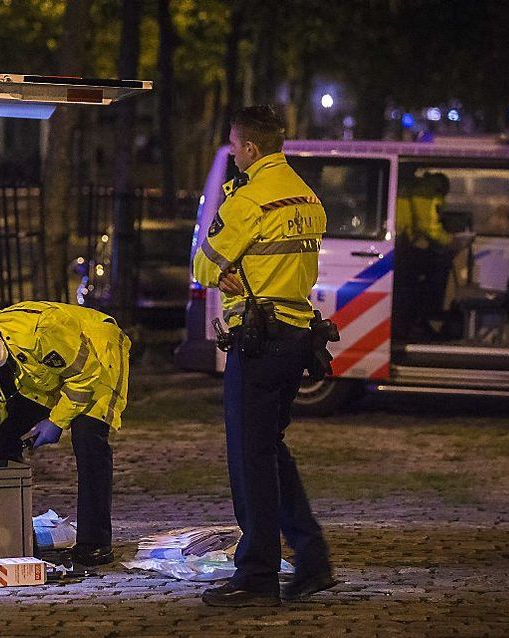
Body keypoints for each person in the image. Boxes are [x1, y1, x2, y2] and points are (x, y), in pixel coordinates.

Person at [192, 106, 334, 607]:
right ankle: (312, 559)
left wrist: (226, 266)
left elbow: (204, 266)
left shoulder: (248, 199)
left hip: (258, 339)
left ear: (250, 148)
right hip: (296, 335)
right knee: (270, 451)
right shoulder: (306, 195)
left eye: (234, 145)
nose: (232, 153)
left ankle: (255, 576)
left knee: (250, 460)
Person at [0, 301, 130, 566]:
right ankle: (18, 539)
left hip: (98, 351)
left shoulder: (42, 329)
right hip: (41, 372)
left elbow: (85, 377)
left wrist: (55, 421)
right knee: (0, 442)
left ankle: (94, 543)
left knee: (89, 437)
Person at [394, 171, 461, 341]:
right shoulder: (428, 190)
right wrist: (449, 241)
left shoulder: (418, 187)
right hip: (401, 241)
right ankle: (422, 320)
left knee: (417, 276)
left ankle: (416, 322)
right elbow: (427, 225)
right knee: (436, 269)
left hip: (401, 240)